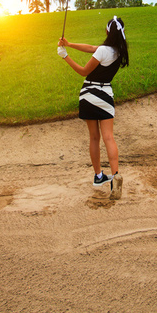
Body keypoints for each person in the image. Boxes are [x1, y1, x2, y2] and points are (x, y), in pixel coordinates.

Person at [57, 16, 129, 200]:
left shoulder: (104, 50)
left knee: (94, 137)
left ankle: (98, 176)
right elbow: (91, 48)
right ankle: (115, 176)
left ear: (107, 32)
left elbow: (83, 71)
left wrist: (65, 55)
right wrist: (70, 43)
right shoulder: (118, 51)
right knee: (109, 137)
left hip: (89, 94)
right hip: (105, 96)